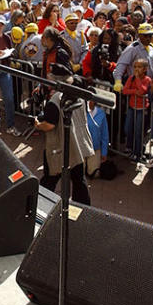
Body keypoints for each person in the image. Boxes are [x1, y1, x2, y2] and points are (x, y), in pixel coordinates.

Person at [34, 64, 94, 204]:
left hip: (60, 147)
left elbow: (49, 125)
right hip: (78, 145)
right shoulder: (77, 93)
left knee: (50, 178)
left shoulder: (55, 100)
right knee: (79, 179)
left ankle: (41, 205)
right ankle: (84, 208)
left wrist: (37, 124)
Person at [122, 58, 152, 161]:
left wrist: (138, 79)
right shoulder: (131, 78)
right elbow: (125, 90)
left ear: (144, 69)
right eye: (135, 67)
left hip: (141, 109)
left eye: (139, 67)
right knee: (128, 128)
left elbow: (143, 91)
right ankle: (129, 147)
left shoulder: (147, 79)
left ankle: (137, 152)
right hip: (132, 107)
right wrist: (135, 91)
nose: (136, 69)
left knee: (138, 131)